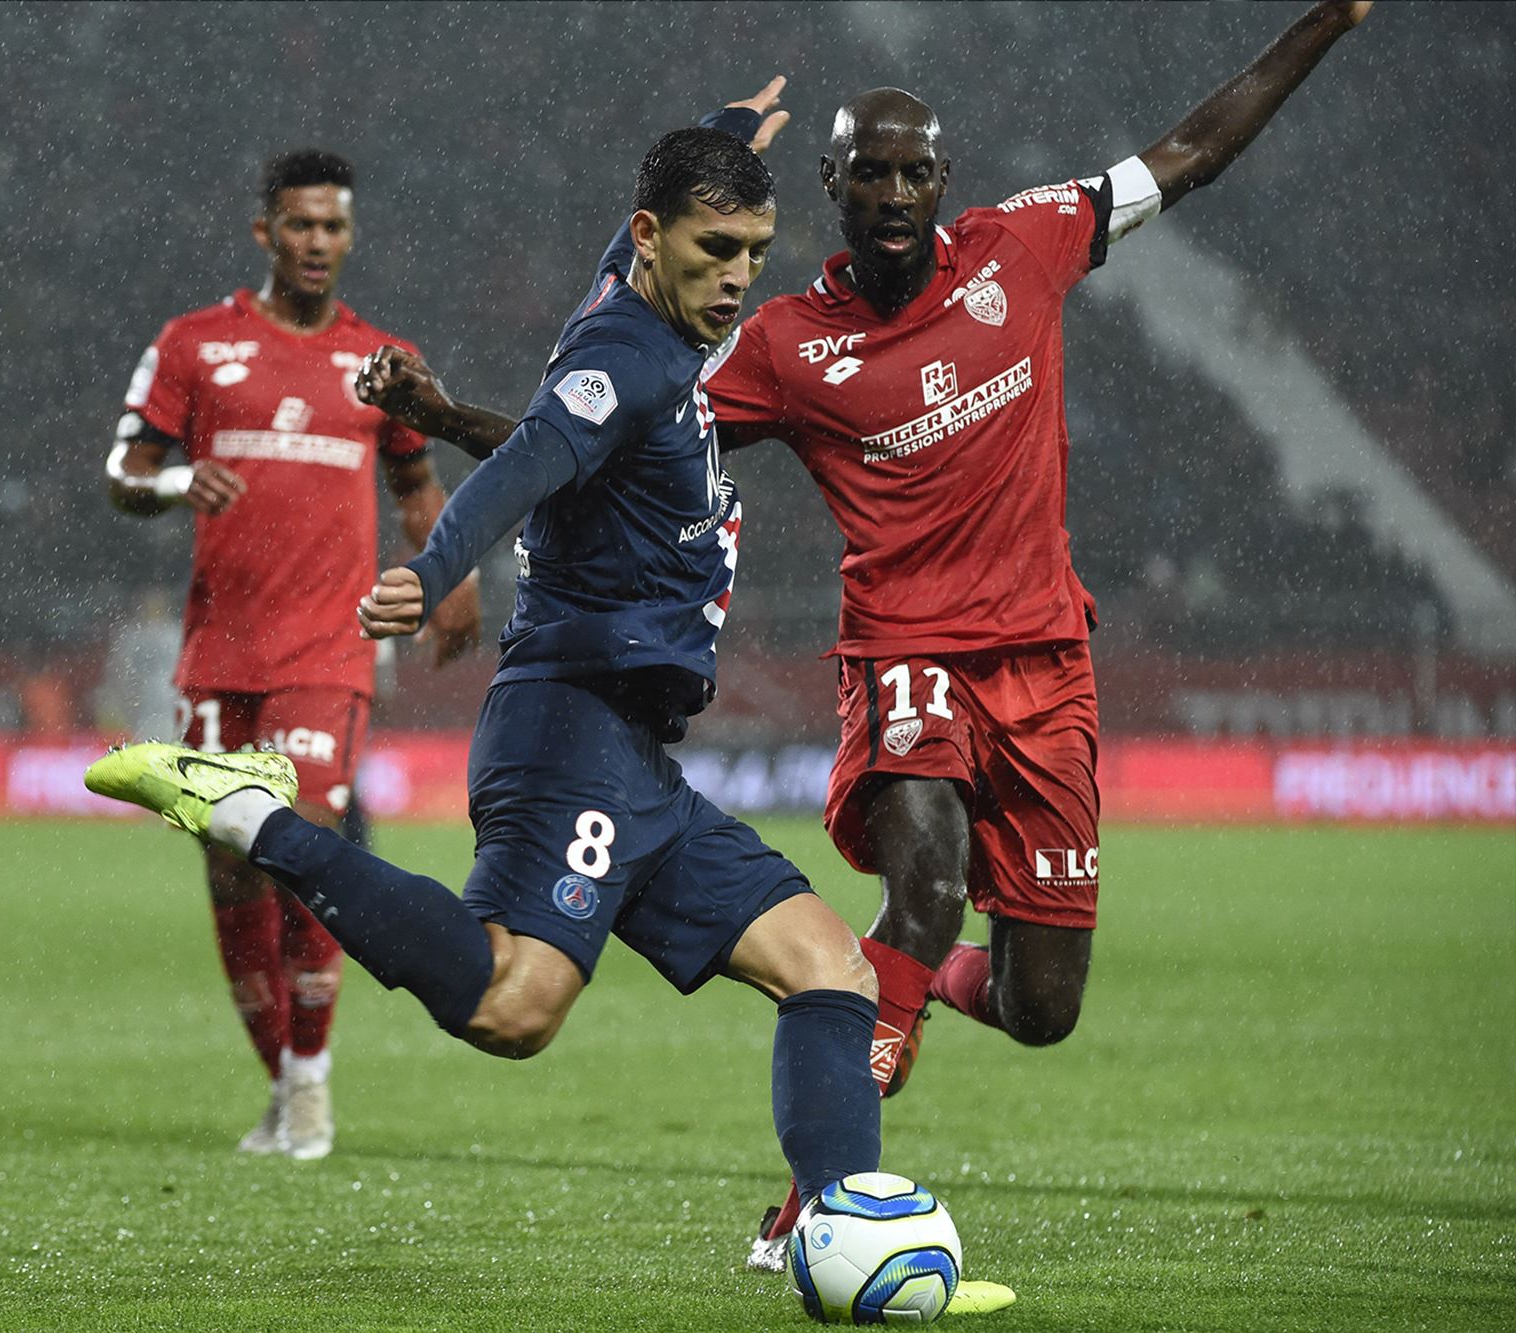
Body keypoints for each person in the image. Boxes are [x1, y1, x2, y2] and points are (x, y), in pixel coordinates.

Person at [352, 0, 1375, 1272]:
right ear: (831, 187)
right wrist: (453, 416)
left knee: (1039, 1006)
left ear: (942, 180)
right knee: (928, 883)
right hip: (903, 655)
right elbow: (603, 432)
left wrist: (1324, 23)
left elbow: (1190, 153)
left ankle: (919, 990)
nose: (892, 192)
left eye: (912, 171)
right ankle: (825, 1196)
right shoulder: (781, 345)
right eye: (866, 173)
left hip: (1046, 665)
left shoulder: (1029, 244)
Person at [87, 82, 891, 1251]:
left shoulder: (643, 297)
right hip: (571, 728)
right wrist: (437, 558)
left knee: (826, 965)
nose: (738, 277)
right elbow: (531, 461)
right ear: (656, 239)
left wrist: (721, 132)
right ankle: (255, 817)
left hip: (632, 754)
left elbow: (558, 423)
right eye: (717, 249)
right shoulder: (629, 354)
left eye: (756, 254)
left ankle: (829, 1230)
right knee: (514, 1007)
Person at [103, 148, 480, 1161]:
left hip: (329, 650)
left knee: (304, 848)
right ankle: (280, 1081)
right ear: (264, 231)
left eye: (335, 227)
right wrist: (181, 482)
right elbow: (122, 471)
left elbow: (414, 490)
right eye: (300, 225)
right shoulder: (193, 345)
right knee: (231, 873)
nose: (319, 243)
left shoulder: (381, 361)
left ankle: (310, 1085)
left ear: (349, 237)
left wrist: (449, 577)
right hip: (219, 653)